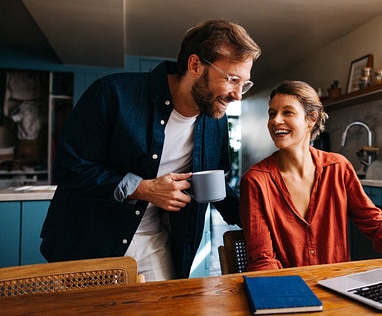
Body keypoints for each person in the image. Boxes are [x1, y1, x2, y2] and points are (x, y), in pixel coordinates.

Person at [40, 19, 261, 281]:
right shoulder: (112, 93)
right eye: (232, 79)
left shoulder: (216, 119)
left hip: (156, 244)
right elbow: (70, 167)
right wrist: (143, 189)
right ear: (194, 65)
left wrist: (261, 220)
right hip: (89, 242)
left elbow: (215, 185)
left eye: (244, 84)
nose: (238, 95)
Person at [240, 80, 382, 271]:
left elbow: (378, 226)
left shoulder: (338, 167)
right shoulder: (255, 181)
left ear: (311, 119)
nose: (275, 120)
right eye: (272, 114)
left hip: (338, 286)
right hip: (287, 290)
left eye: (287, 112)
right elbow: (262, 260)